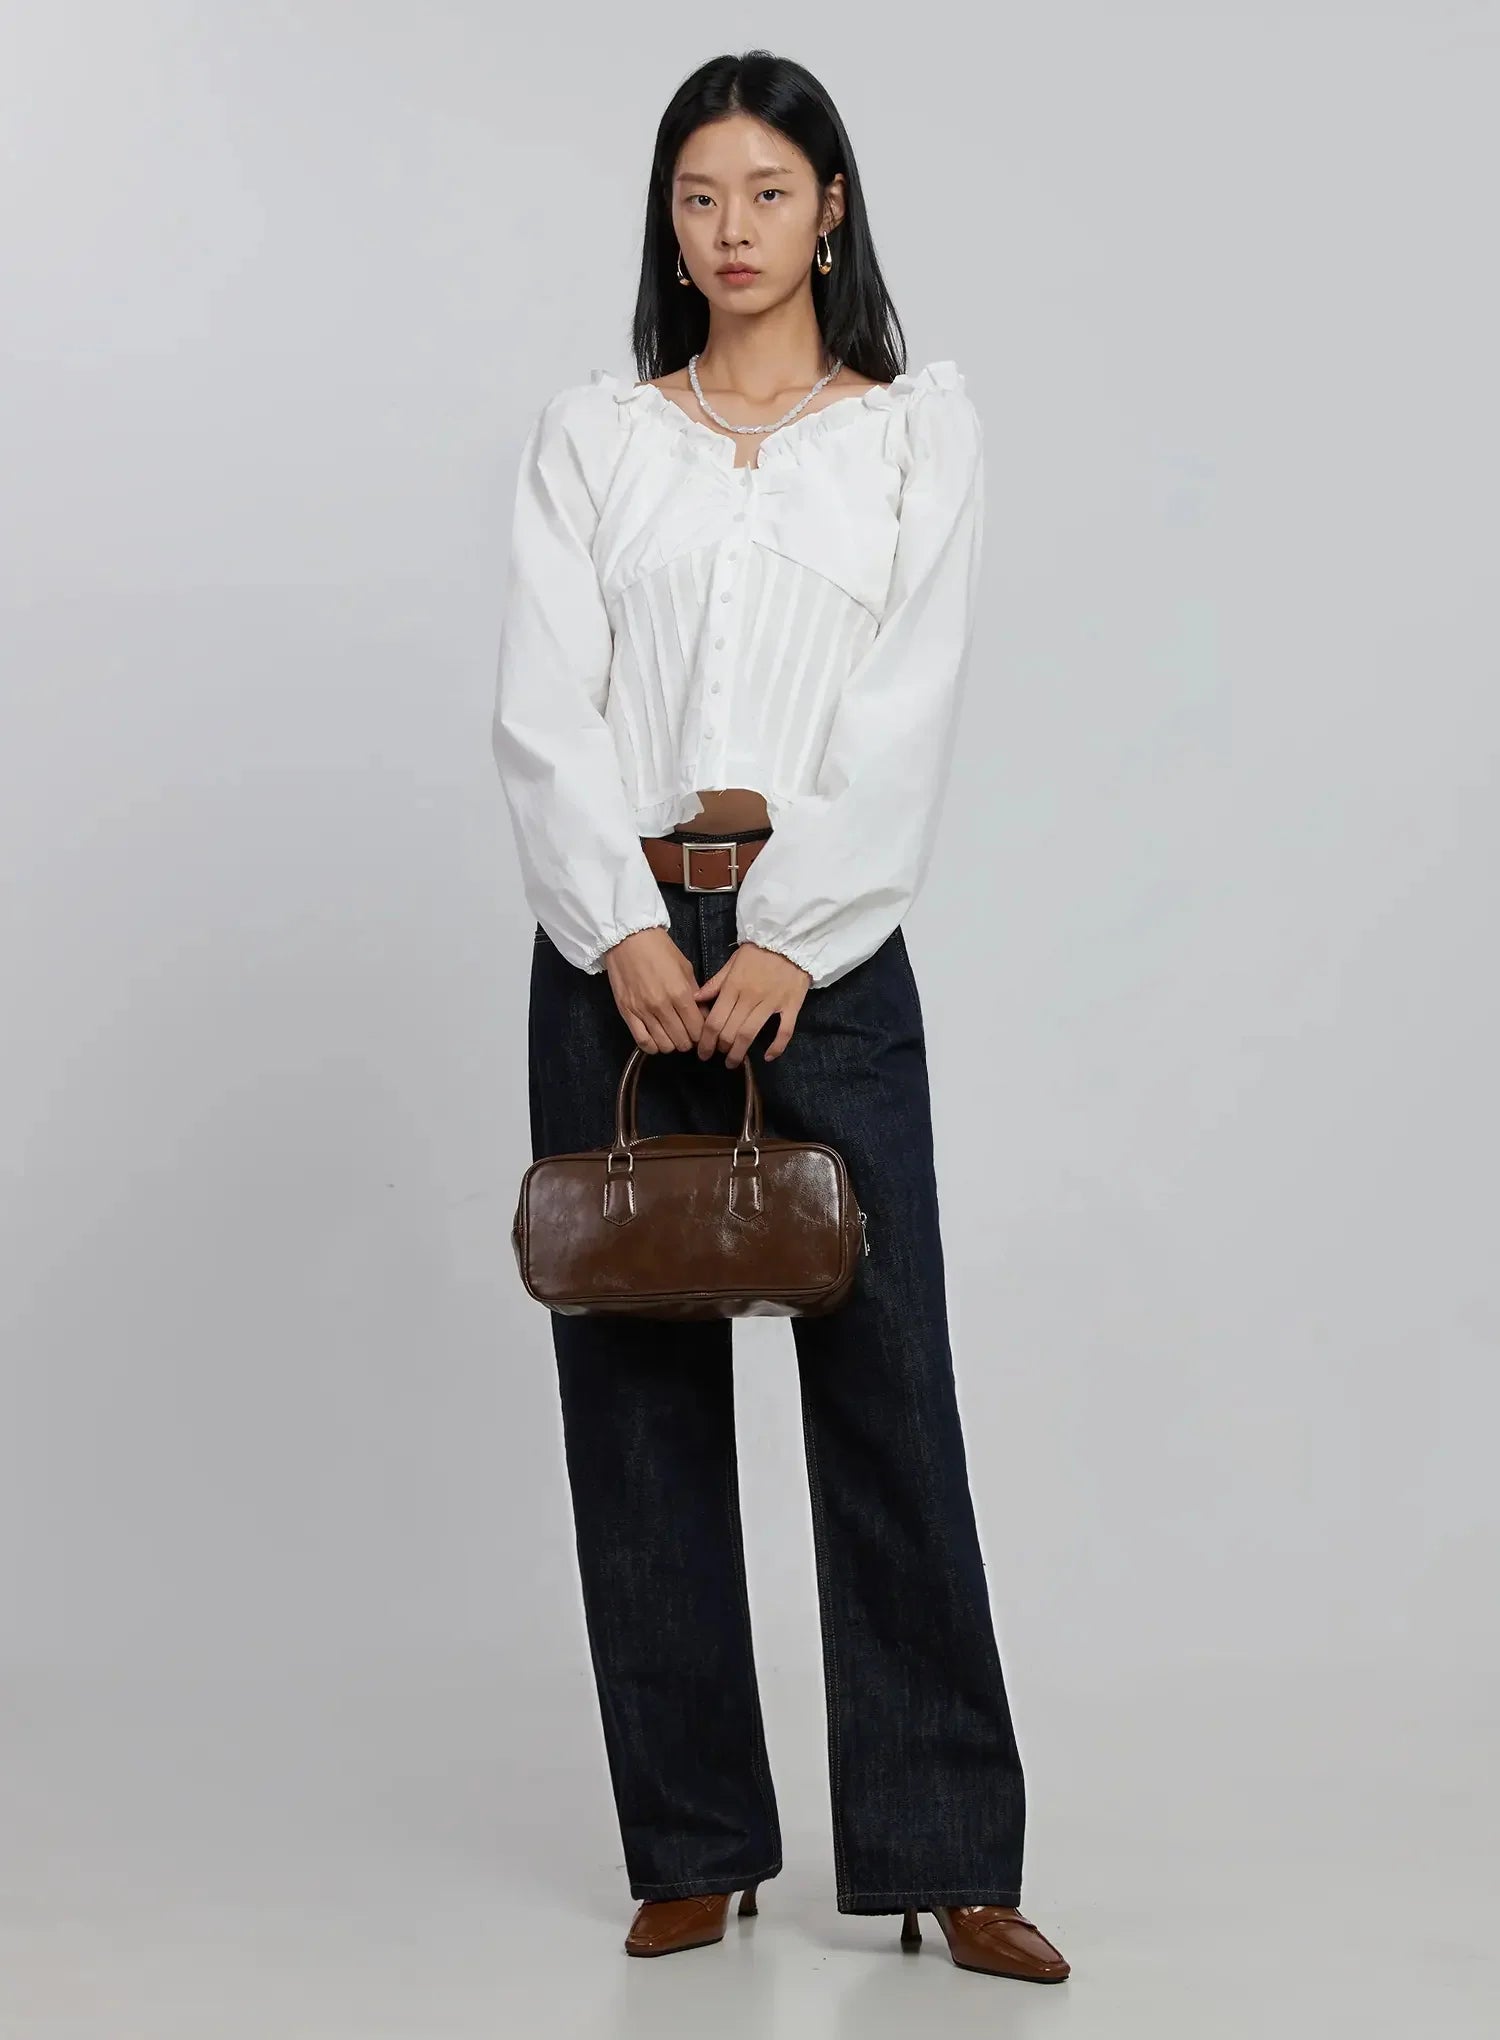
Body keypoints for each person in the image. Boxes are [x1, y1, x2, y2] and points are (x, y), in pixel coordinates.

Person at [490, 48, 1070, 1985]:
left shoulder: (911, 440)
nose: (729, 228)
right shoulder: (595, 440)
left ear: (830, 210)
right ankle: (693, 1844)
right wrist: (616, 926)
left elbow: (909, 706)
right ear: (669, 226)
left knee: (889, 1391)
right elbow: (545, 703)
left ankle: (947, 1853)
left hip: (825, 945)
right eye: (697, 196)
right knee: (636, 1398)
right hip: (620, 947)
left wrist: (792, 936)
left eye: (765, 191)